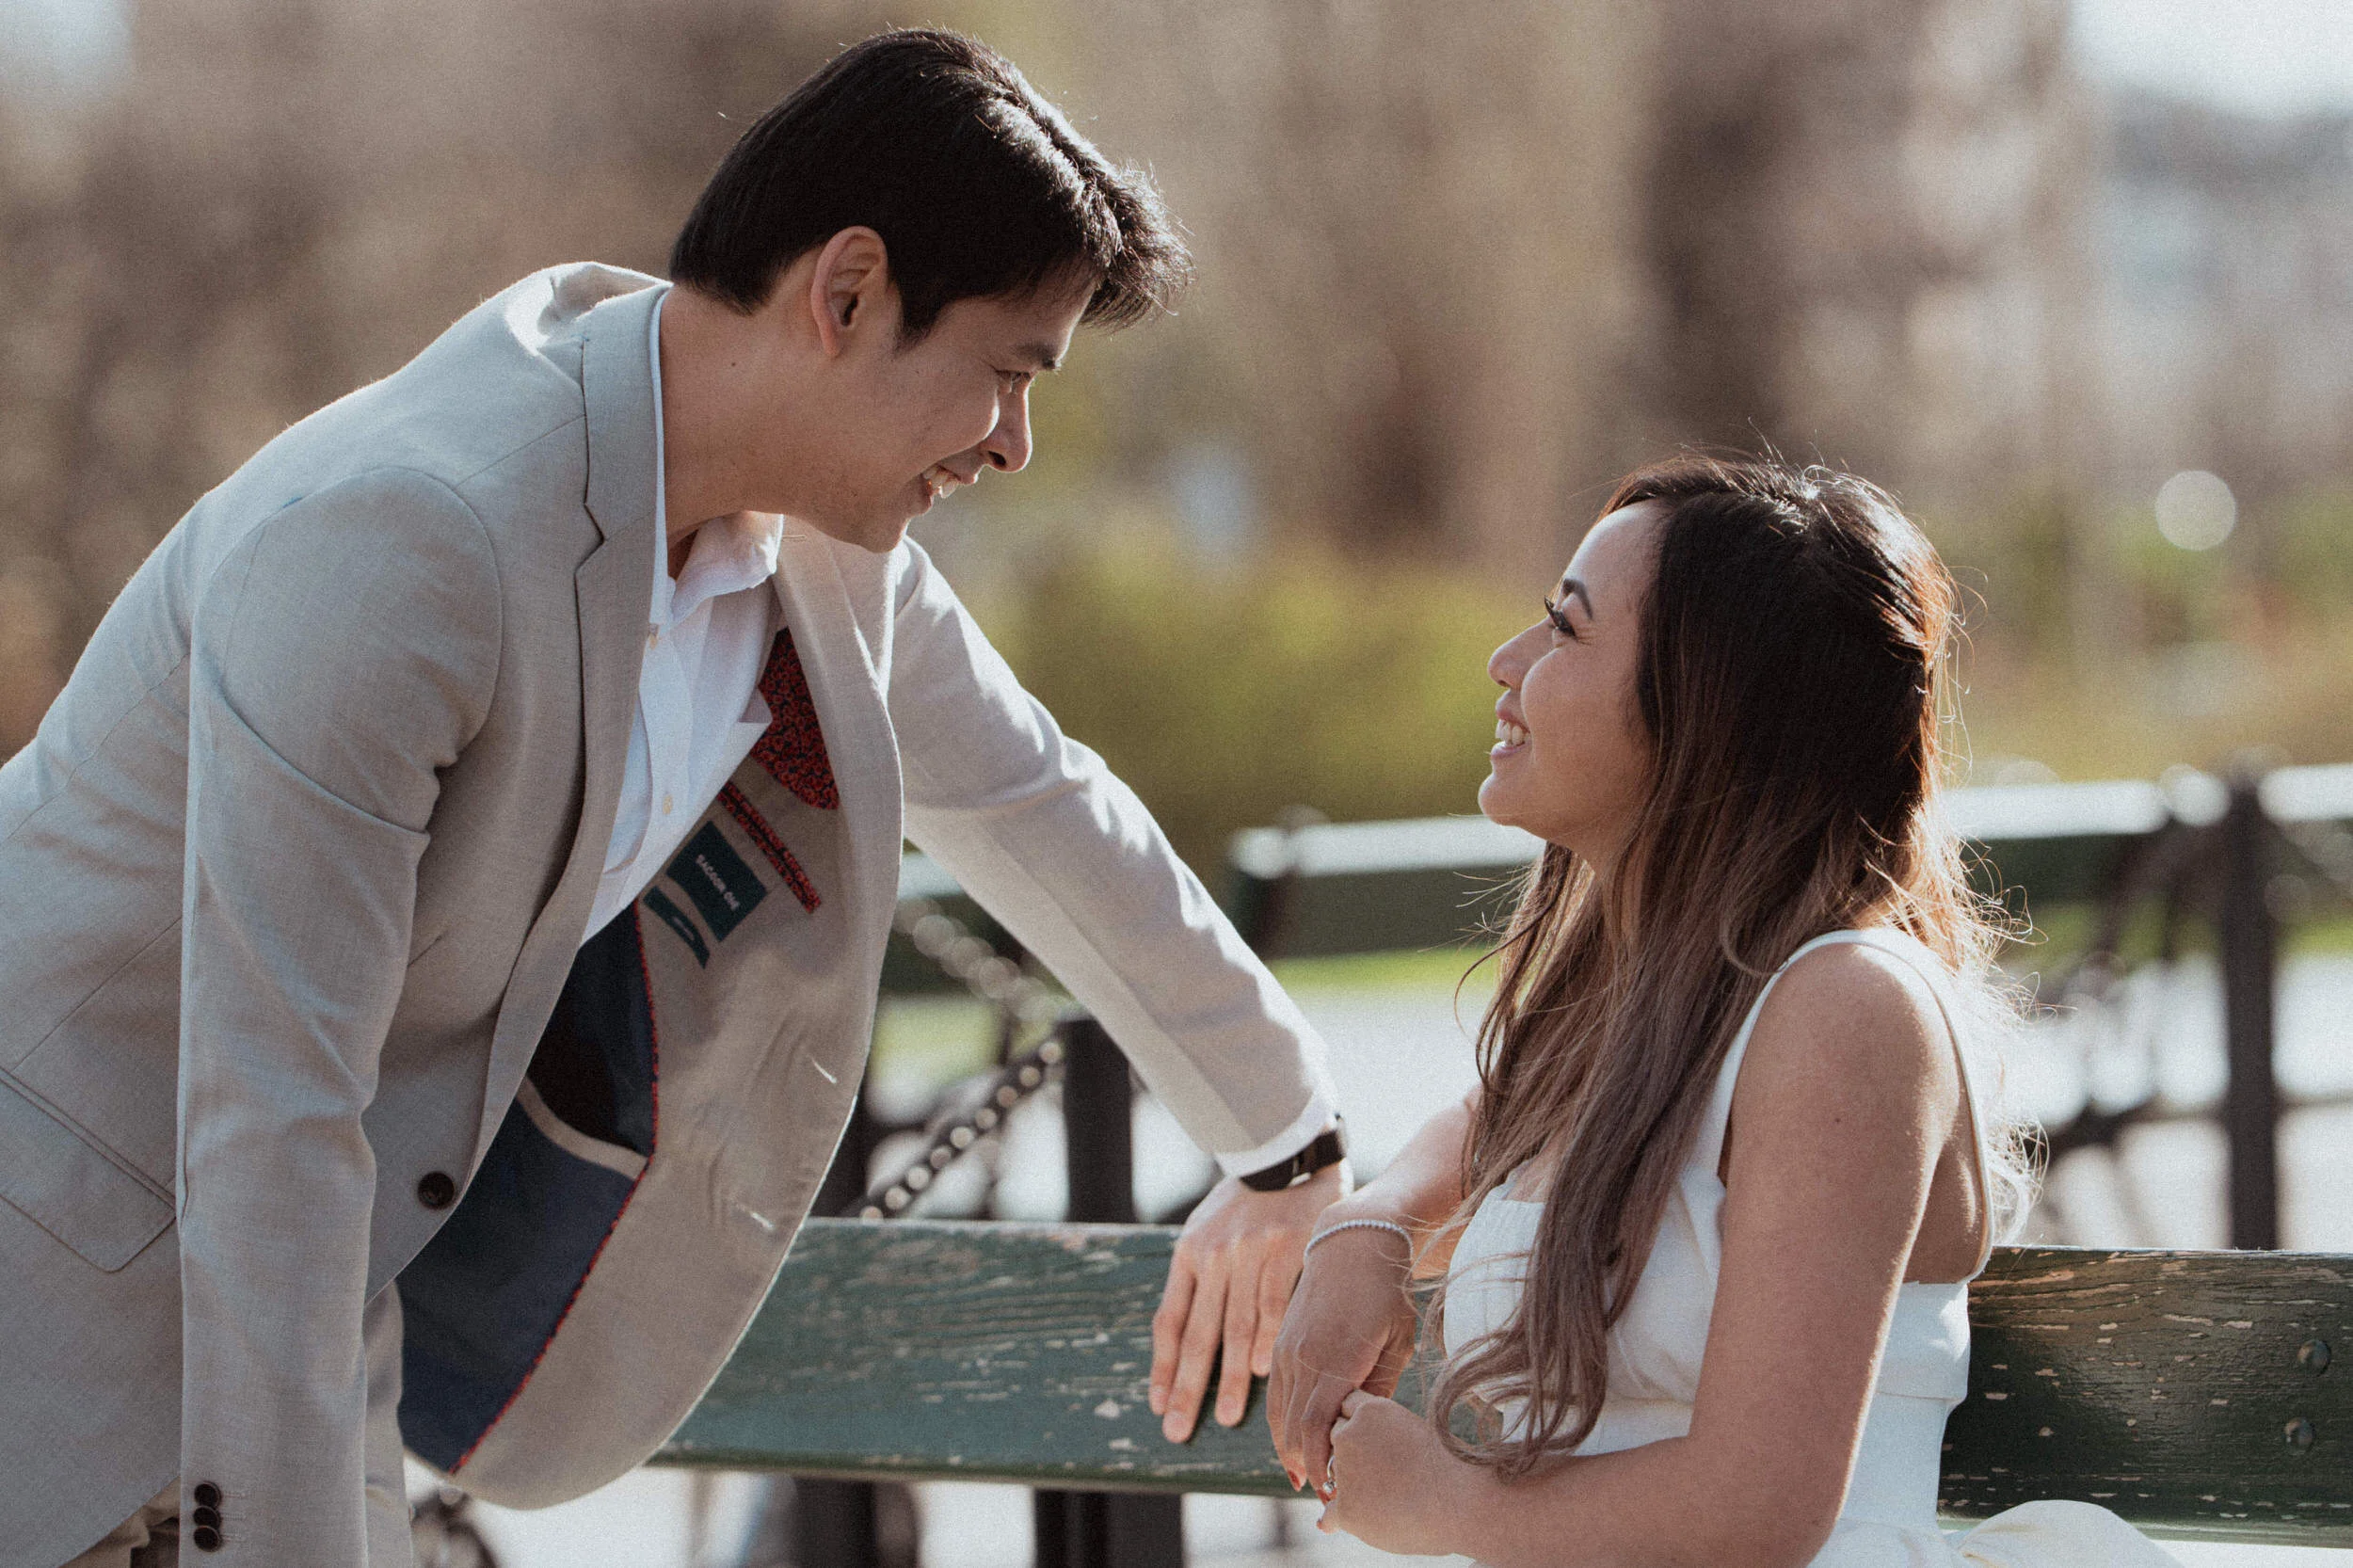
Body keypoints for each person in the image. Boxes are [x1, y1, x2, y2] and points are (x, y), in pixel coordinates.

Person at [2, 30, 1348, 1568]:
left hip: (297, 1332)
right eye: (1005, 375)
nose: (1017, 446)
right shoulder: (410, 541)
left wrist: (1291, 1150)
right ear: (845, 295)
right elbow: (270, 1123)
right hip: (48, 1310)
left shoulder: (819, 553)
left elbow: (1040, 805)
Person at [1266, 458, 2180, 1566]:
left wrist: (1449, 1508)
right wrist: (1369, 1227)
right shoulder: (1627, 1019)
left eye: (1565, 629)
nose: (1506, 662)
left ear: (1711, 704)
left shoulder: (1848, 1007)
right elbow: (1483, 1120)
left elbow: (1761, 1506)